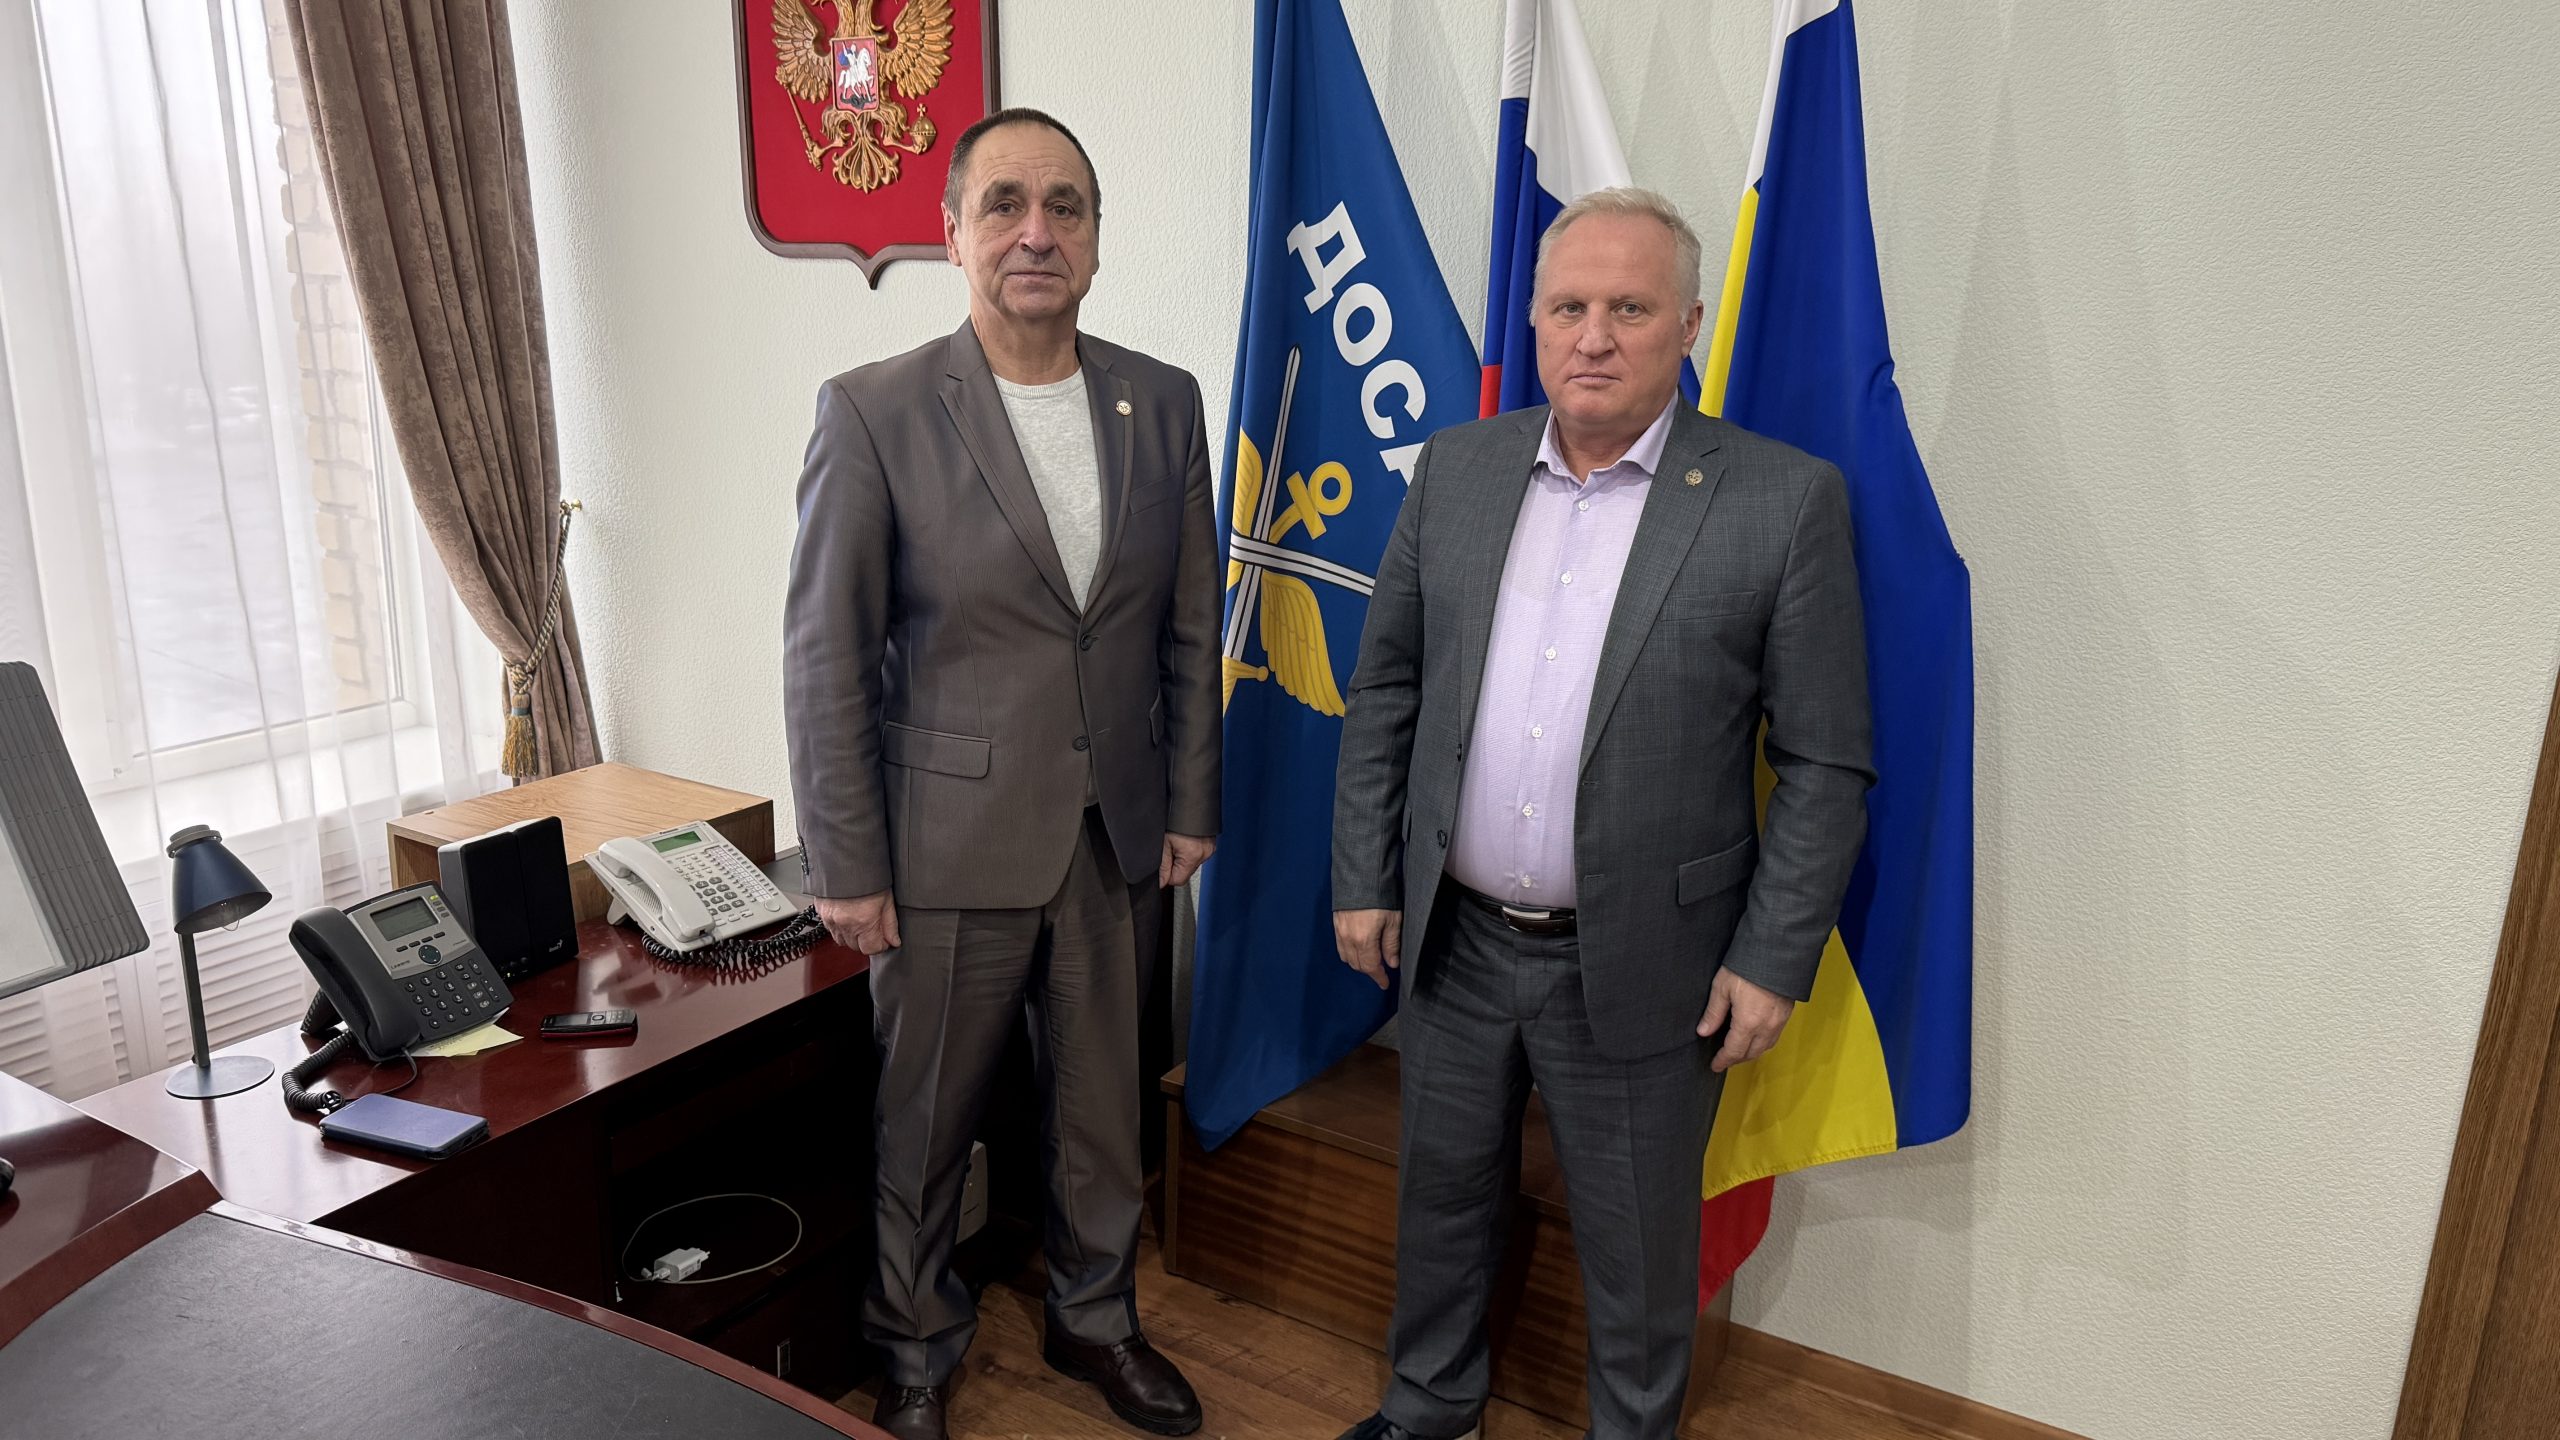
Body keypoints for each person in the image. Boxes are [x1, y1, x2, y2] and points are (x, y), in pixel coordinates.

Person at [1328, 187, 1874, 1440]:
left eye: (1628, 308)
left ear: (1687, 324)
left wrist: (1769, 957)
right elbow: (1387, 687)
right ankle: (1428, 1409)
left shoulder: (1780, 501)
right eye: (1568, 306)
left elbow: (1825, 762)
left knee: (1636, 1250)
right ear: (1531, 321)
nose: (1592, 336)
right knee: (1440, 1204)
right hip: (1455, 942)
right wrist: (1363, 873)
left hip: (1644, 963)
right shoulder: (1458, 468)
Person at [782, 107, 1222, 1440]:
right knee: (926, 1121)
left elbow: (1190, 626)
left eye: (1066, 207)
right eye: (1007, 205)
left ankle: (1096, 1318)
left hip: (1114, 836)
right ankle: (915, 1346)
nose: (1039, 232)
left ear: (1094, 238)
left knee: (1102, 1113)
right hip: (944, 840)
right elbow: (825, 656)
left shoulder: (1162, 401)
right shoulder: (874, 411)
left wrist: (1191, 803)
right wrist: (846, 864)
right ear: (953, 232)